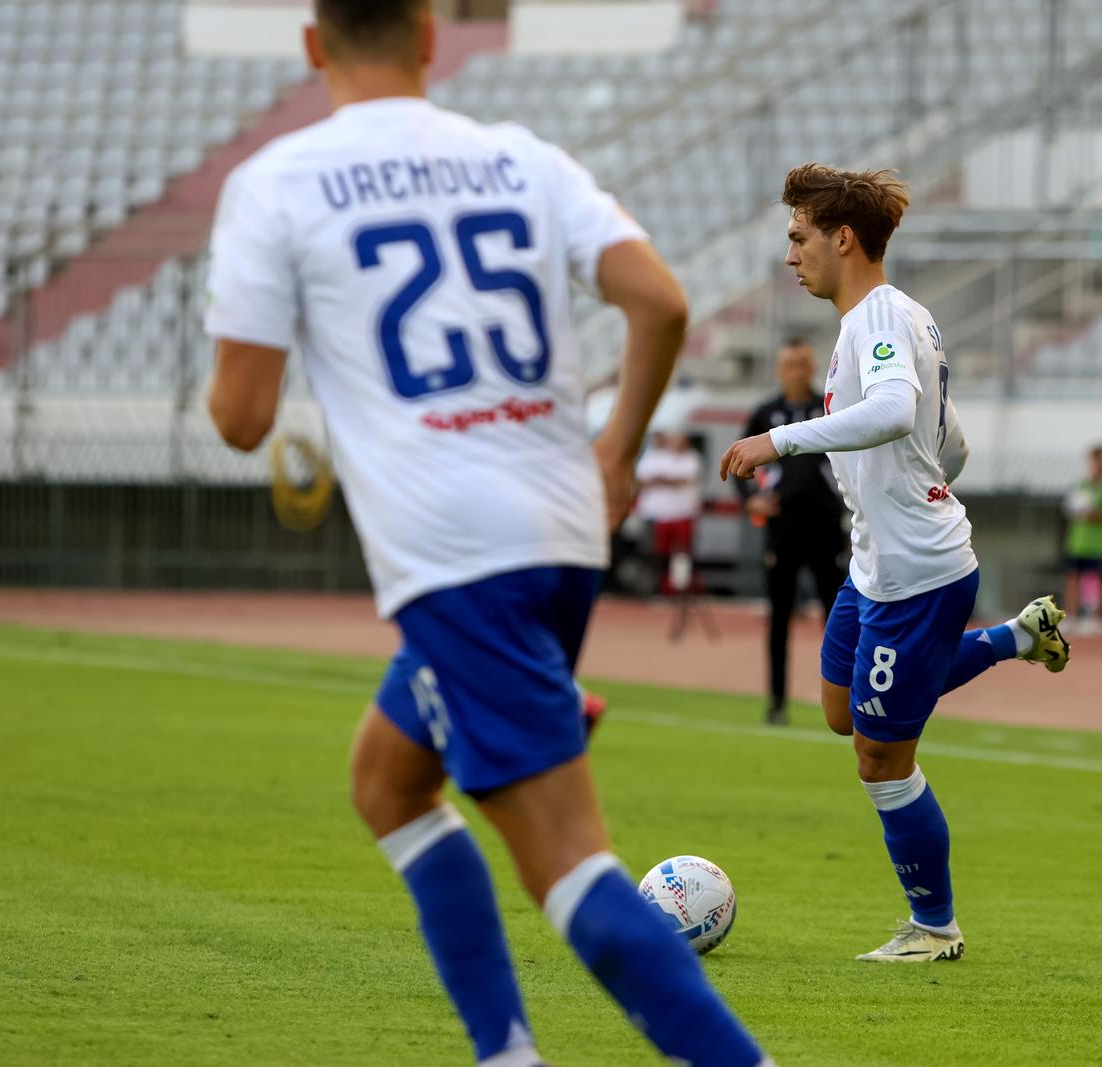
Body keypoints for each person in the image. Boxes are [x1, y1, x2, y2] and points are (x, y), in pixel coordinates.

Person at [202, 4, 772, 1065]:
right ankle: (505, 1053)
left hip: (457, 550)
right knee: (388, 781)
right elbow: (658, 301)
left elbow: (240, 419)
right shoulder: (518, 158)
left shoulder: (277, 183)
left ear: (314, 46)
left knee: (567, 864)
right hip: (559, 525)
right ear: (428, 34)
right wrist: (614, 451)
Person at [718, 163, 1070, 964]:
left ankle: (934, 927)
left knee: (880, 755)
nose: (790, 255)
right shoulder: (900, 315)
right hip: (877, 567)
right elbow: (954, 442)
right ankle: (1017, 638)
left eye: (799, 237)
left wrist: (782, 438)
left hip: (917, 575)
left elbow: (892, 411)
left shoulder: (875, 319)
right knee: (844, 710)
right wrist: (924, 486)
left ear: (843, 239)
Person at [737, 338, 849, 725]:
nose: (797, 371)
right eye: (790, 364)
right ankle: (777, 702)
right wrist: (750, 499)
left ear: (813, 366)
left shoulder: (829, 407)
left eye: (803, 364)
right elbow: (740, 463)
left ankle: (843, 700)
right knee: (779, 618)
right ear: (779, 369)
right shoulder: (765, 413)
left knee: (836, 619)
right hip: (782, 531)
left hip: (825, 530)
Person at [634, 430, 703, 596]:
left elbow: (683, 478)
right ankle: (659, 586)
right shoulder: (655, 457)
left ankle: (679, 586)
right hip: (660, 515)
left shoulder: (691, 458)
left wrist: (661, 480)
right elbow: (643, 479)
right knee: (659, 553)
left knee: (681, 553)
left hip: (683, 513)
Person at [1063, 445, 1102, 621]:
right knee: (1073, 578)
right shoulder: (1080, 485)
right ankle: (1072, 616)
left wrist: (1096, 515)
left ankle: (1097, 618)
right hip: (1078, 541)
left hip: (1100, 542)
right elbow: (1069, 508)